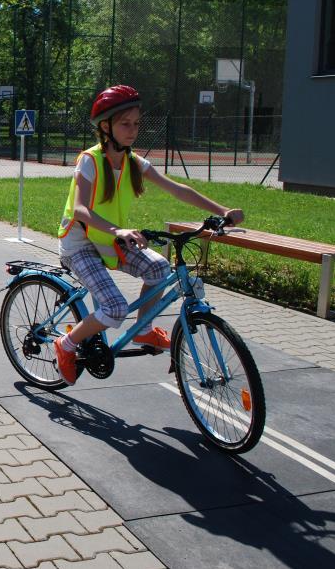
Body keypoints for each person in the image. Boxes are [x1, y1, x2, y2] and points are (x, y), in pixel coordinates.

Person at [54, 85, 244, 385]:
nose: (132, 131)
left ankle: (143, 329)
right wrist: (118, 230)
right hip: (80, 243)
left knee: (158, 268)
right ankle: (65, 345)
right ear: (106, 127)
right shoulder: (90, 161)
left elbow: (177, 189)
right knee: (114, 308)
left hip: (110, 240)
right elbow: (79, 209)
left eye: (136, 124)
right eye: (125, 124)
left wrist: (222, 211)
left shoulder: (133, 163)